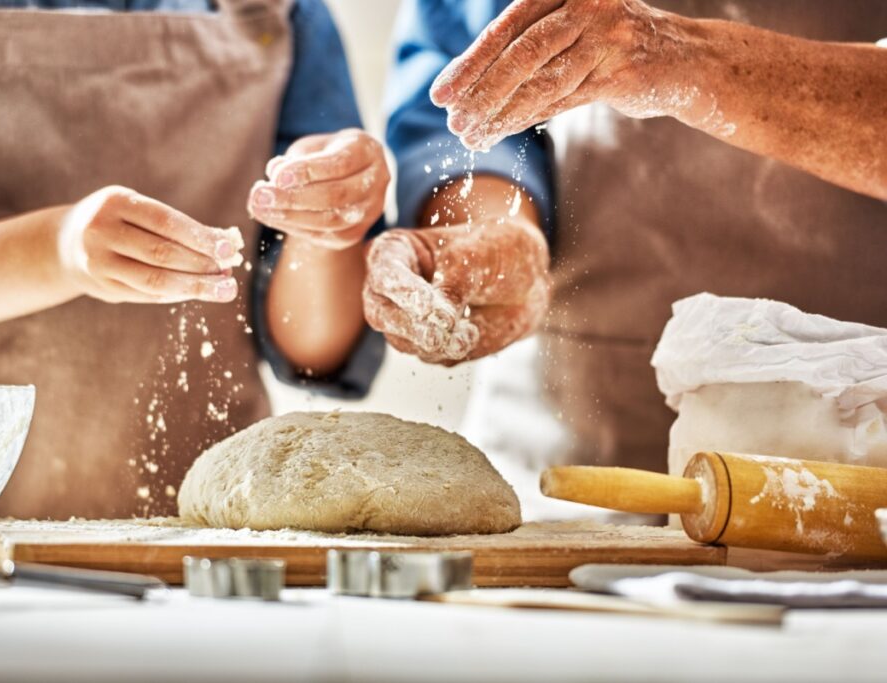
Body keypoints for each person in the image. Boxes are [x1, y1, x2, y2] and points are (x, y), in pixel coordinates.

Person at [0, 0, 388, 518]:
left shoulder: (285, 14)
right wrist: (57, 250)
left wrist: (327, 225)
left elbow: (314, 351)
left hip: (202, 543)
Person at [368, 0, 887, 475]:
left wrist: (678, 57)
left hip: (858, 437)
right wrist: (500, 228)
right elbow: (466, 67)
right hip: (567, 453)